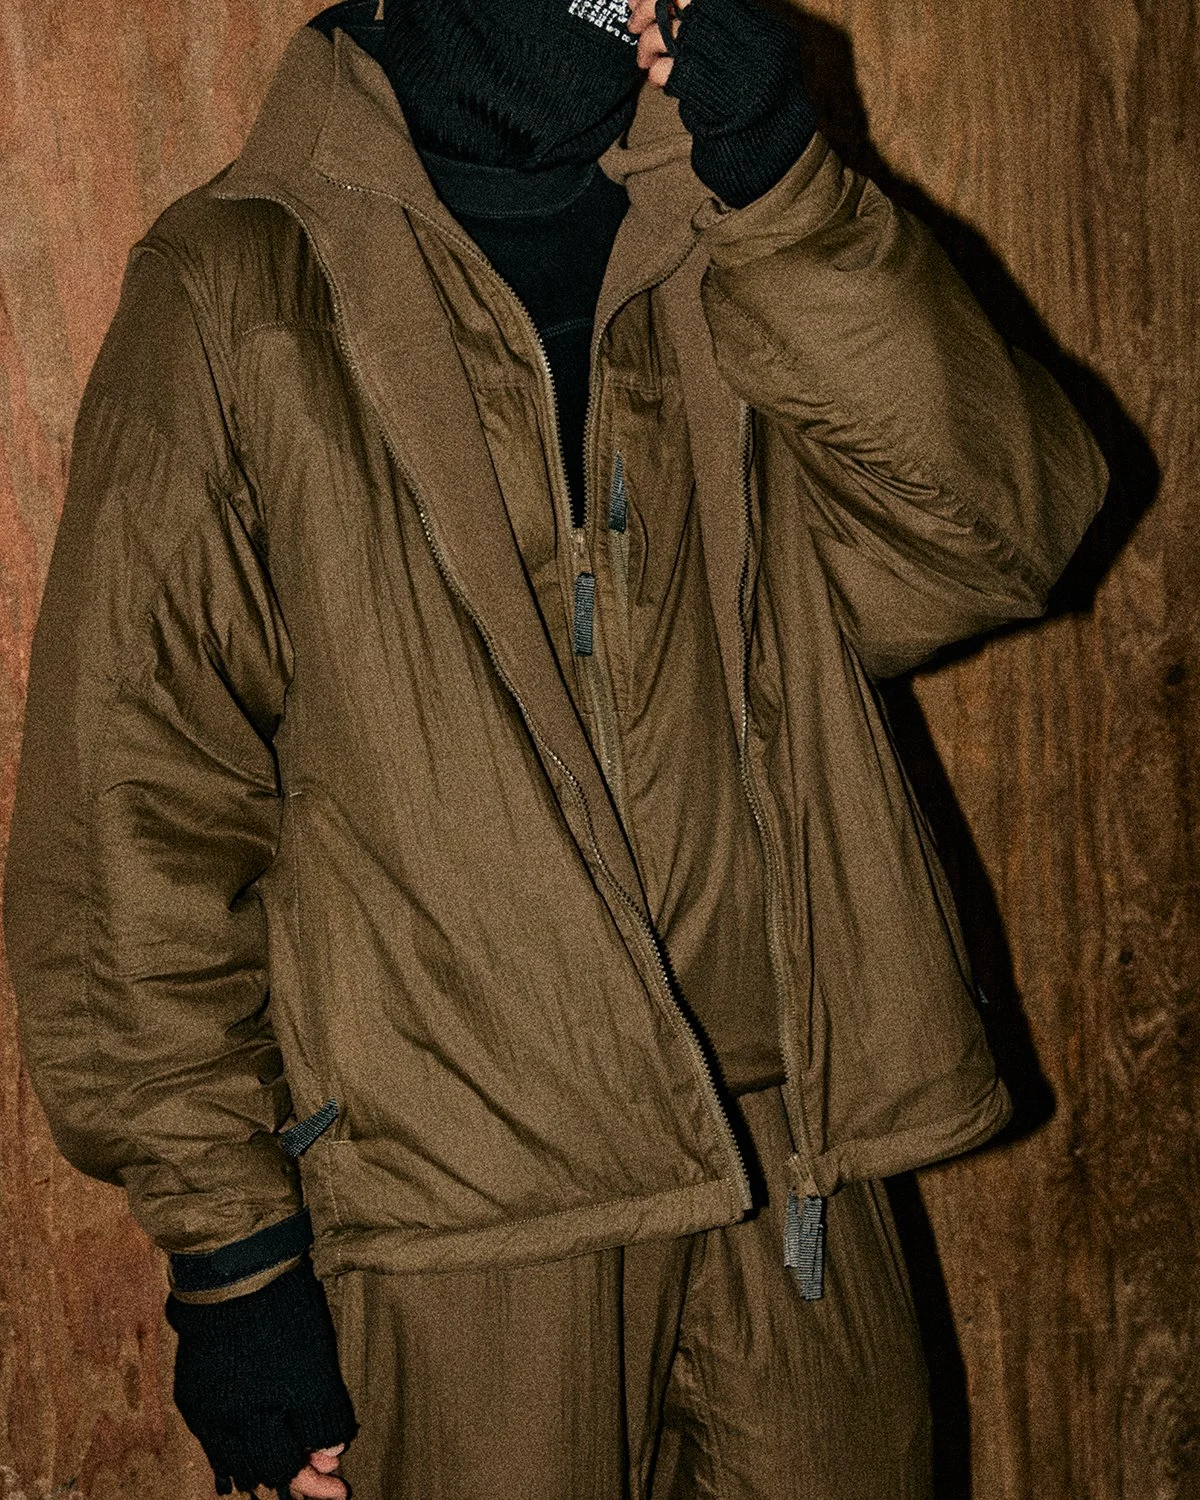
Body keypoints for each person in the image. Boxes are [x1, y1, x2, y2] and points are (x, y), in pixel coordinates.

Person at [3, 0, 1109, 1495]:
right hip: (462, 1221)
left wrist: (788, 196)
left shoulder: (723, 222)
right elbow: (129, 807)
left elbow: (1003, 531)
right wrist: (232, 1259)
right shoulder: (240, 281)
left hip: (793, 1172)